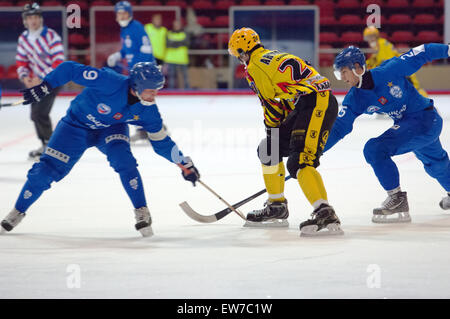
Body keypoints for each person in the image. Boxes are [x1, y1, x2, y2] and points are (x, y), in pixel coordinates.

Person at [0, 61, 200, 237]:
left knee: (125, 162)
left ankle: (142, 210)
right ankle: (17, 211)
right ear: (136, 86)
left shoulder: (149, 110)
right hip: (74, 126)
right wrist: (47, 85)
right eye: (151, 90)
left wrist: (184, 164)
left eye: (157, 90)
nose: (155, 95)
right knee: (45, 172)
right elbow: (70, 69)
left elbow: (162, 142)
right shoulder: (109, 81)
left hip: (110, 130)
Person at [228, 28, 343, 236]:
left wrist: (273, 130)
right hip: (310, 101)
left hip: (316, 101)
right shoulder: (271, 56)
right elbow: (289, 96)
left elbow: (270, 105)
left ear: (243, 52)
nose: (239, 60)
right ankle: (276, 205)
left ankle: (324, 211)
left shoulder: (254, 67)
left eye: (238, 55)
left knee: (299, 161)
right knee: (268, 149)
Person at [327, 44, 450, 223]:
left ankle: (397, 198)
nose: (342, 78)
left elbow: (424, 52)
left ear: (358, 67)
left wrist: (447, 50)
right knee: (436, 163)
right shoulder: (354, 98)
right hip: (411, 126)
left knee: (375, 149)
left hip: (425, 119)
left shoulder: (389, 70)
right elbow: (339, 128)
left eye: (344, 72)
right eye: (339, 74)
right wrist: (316, 150)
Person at [15, 2, 64, 160]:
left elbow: (58, 62)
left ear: (40, 19)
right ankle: (46, 145)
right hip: (36, 82)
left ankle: (51, 147)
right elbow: (21, 62)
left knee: (40, 112)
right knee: (35, 115)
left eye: (36, 17)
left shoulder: (51, 36)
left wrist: (41, 77)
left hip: (53, 81)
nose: (33, 21)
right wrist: (25, 78)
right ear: (25, 20)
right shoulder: (23, 38)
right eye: (30, 18)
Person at [107, 1, 156, 144]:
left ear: (129, 14)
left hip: (143, 72)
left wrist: (141, 70)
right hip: (134, 72)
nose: (121, 16)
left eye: (124, 13)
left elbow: (146, 49)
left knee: (139, 100)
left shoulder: (136, 27)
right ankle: (146, 129)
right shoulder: (125, 30)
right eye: (119, 13)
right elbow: (127, 49)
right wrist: (117, 55)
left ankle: (150, 129)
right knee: (137, 101)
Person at [363, 26, 428, 97]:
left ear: (376, 36)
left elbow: (385, 62)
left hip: (402, 71)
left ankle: (428, 105)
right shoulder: (377, 48)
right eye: (368, 38)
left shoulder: (382, 44)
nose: (370, 40)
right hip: (399, 70)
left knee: (415, 89)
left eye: (372, 37)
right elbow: (374, 61)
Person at [165, 20, 190, 89]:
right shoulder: (169, 33)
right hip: (171, 59)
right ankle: (171, 91)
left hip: (182, 58)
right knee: (172, 76)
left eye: (178, 25)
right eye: (175, 25)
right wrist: (180, 43)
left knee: (185, 76)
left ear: (180, 25)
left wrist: (174, 43)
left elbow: (187, 43)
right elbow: (168, 44)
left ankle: (188, 91)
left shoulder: (185, 33)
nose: (176, 26)